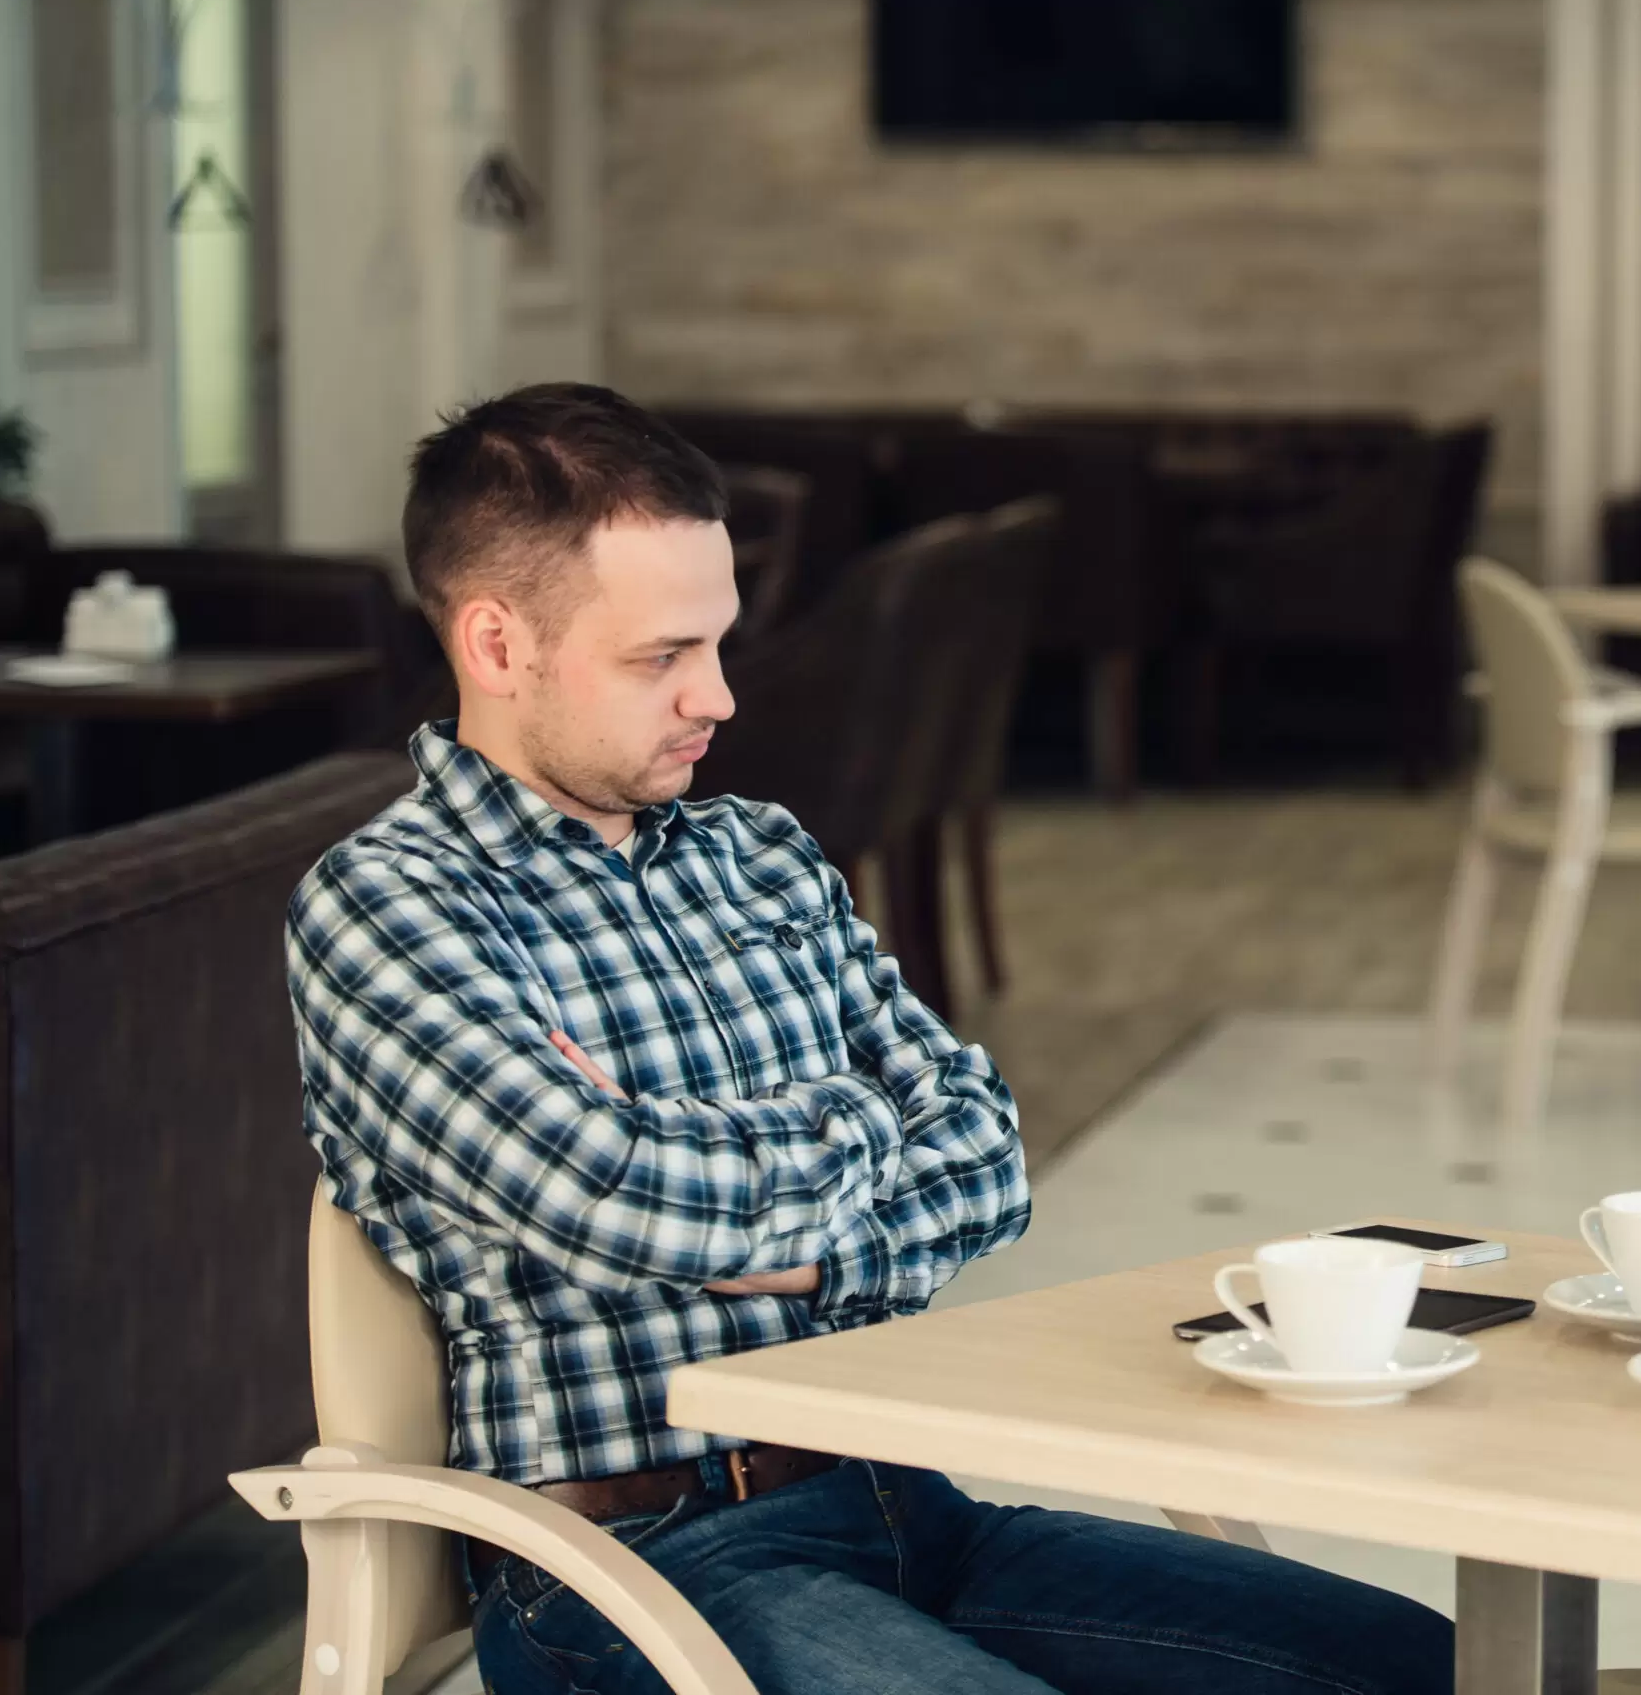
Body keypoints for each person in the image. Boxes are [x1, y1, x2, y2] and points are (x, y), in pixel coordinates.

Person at [285, 383, 1453, 1695]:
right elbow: (619, 1199)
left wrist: (764, 1233)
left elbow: (990, 1154)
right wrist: (854, 1123)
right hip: (634, 1564)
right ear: (498, 647)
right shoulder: (389, 904)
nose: (717, 696)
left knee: (1426, 1666)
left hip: (905, 1507)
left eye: (720, 642)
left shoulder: (761, 858)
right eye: (661, 656)